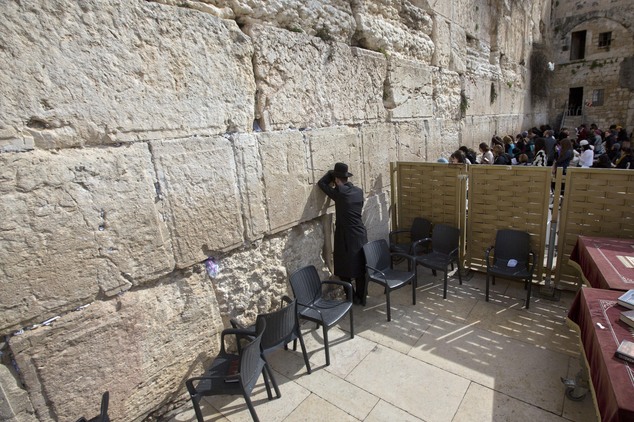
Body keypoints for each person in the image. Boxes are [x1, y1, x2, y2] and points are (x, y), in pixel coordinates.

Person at [318, 163, 368, 305]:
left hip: (346, 237)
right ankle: (362, 297)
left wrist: (330, 174)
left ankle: (351, 298)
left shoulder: (340, 192)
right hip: (360, 233)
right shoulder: (358, 191)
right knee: (361, 267)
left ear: (337, 180)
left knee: (344, 269)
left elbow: (321, 183)